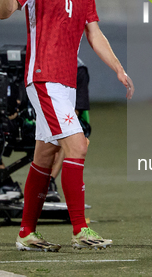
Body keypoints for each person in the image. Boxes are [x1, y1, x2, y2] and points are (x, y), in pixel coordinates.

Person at [0, 0, 134, 252]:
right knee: (78, 144)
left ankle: (26, 234)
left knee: (45, 154)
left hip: (67, 83)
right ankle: (80, 229)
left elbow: (94, 34)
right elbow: (4, 12)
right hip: (42, 78)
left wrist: (118, 68)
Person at [47, 57, 92, 203]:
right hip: (38, 118)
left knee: (65, 132)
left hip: (67, 119)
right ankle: (2, 182)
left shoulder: (78, 69)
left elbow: (75, 111)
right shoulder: (34, 63)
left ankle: (49, 182)